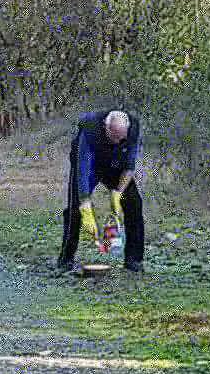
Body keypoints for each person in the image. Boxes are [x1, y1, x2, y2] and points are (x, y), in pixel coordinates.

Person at [57, 109, 145, 273]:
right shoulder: (90, 129)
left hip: (115, 165)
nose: (118, 142)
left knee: (134, 202)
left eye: (121, 139)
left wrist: (118, 194)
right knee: (75, 209)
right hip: (91, 166)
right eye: (114, 137)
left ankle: (134, 260)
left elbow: (130, 166)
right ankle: (66, 260)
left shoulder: (132, 128)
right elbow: (83, 170)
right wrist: (85, 206)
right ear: (106, 127)